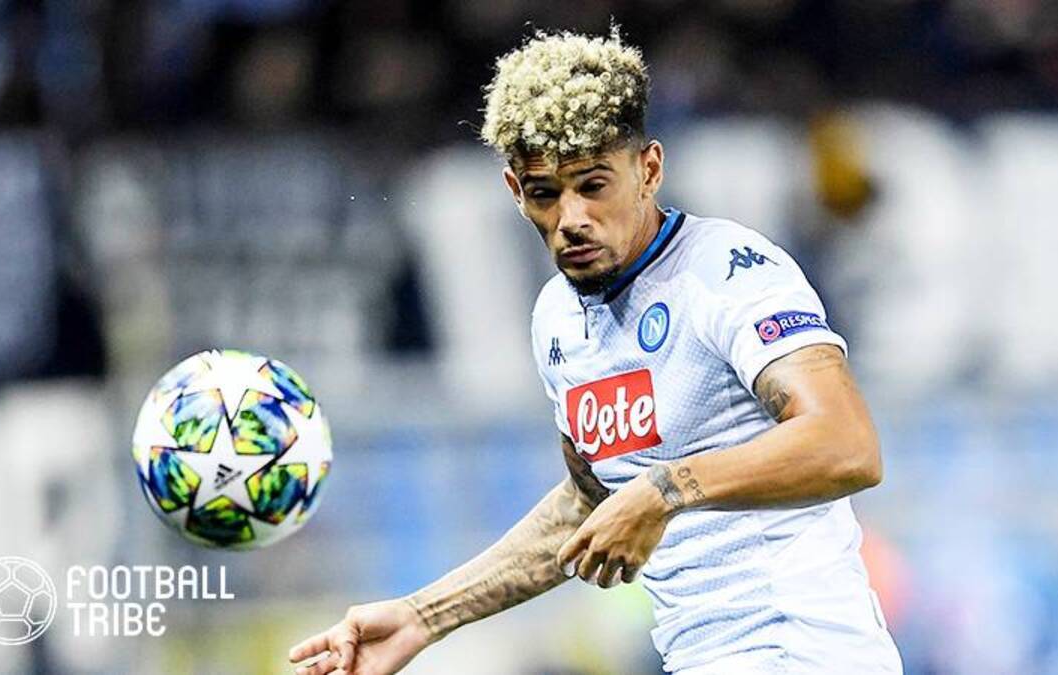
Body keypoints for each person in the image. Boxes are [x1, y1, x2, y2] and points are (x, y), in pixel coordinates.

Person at [289, 29, 902, 675]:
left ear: (650, 169)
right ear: (515, 191)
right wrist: (425, 615)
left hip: (803, 652)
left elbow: (846, 444)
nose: (572, 218)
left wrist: (664, 490)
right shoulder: (557, 318)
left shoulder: (726, 271)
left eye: (593, 184)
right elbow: (591, 502)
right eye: (545, 193)